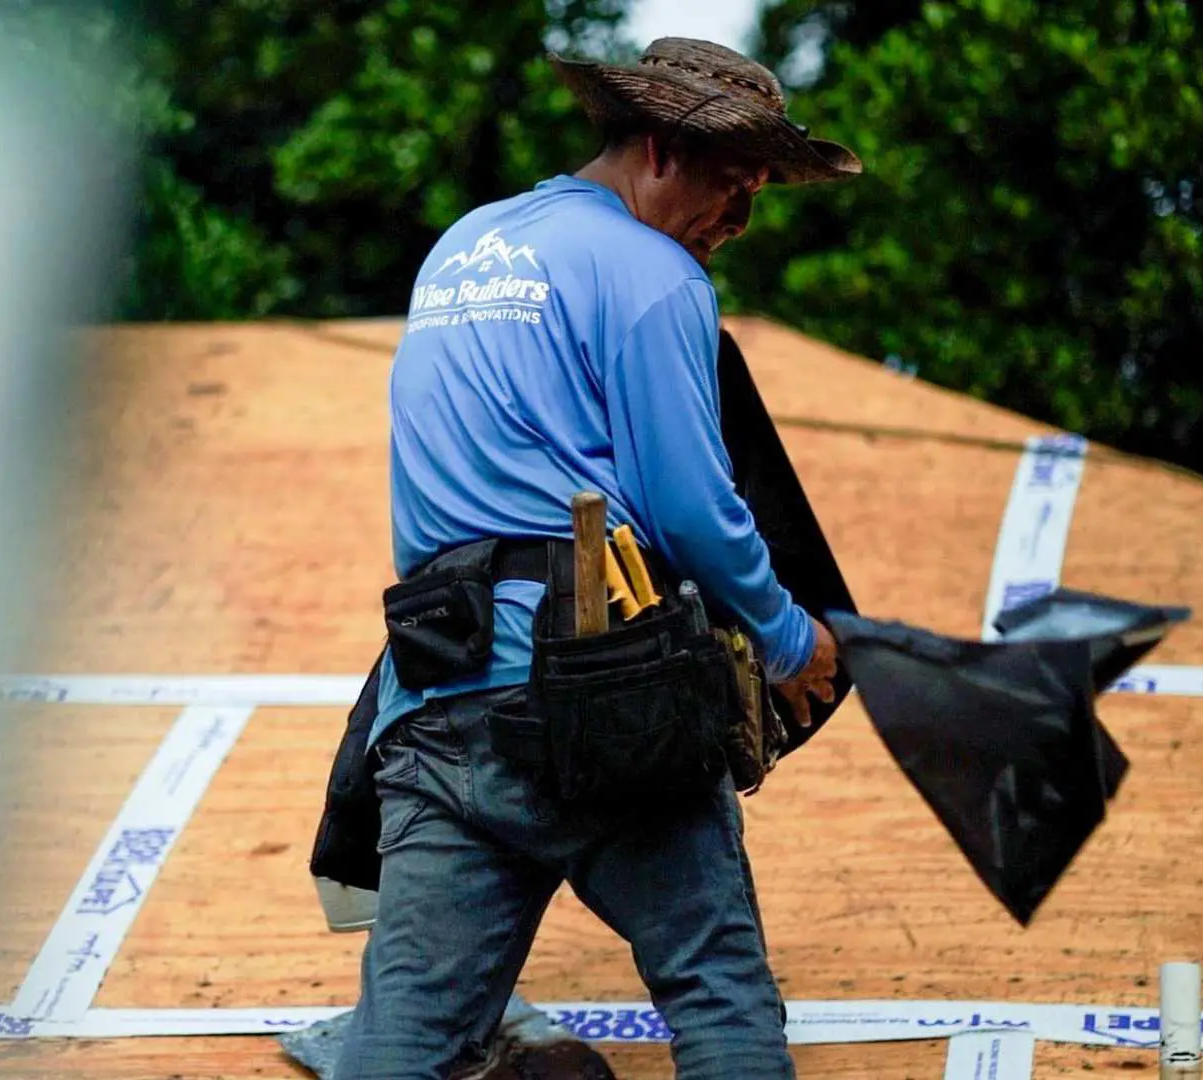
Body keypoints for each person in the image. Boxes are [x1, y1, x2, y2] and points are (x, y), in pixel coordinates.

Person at [331, 38, 861, 1080]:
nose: (739, 222)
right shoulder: (655, 274)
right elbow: (694, 511)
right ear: (662, 149)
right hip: (596, 691)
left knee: (402, 1048)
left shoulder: (463, 247)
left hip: (435, 696)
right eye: (734, 185)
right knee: (718, 991)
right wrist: (794, 639)